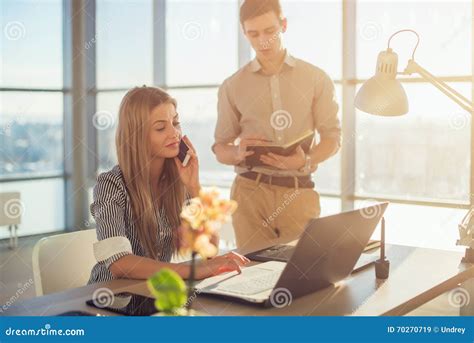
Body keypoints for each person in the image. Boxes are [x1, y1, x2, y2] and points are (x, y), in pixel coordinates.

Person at [213, 0, 341, 252]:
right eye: (254, 34)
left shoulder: (316, 78)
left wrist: (305, 160)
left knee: (303, 276)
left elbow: (333, 138)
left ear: (283, 25)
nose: (263, 41)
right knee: (252, 278)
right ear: (244, 33)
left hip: (298, 194)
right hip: (248, 195)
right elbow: (220, 148)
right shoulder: (232, 85)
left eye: (270, 31)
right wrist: (237, 153)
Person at [88, 86, 249, 284]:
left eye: (175, 123)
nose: (175, 133)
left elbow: (210, 249)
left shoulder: (178, 182)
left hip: (155, 295)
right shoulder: (111, 185)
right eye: (160, 127)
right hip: (114, 300)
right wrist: (191, 271)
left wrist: (194, 187)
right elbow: (119, 262)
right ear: (137, 137)